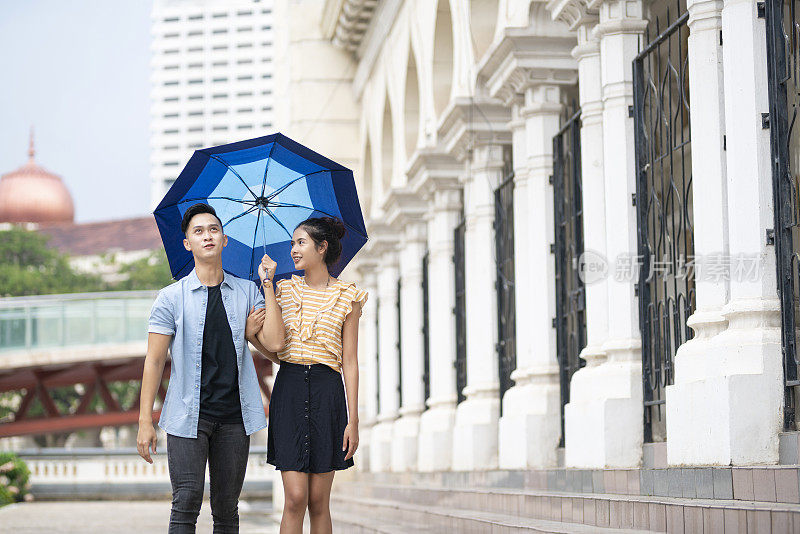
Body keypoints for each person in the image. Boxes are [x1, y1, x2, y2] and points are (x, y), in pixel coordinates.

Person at [136, 202, 285, 533]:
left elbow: (275, 345)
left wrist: (268, 284)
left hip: (235, 417)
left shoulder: (247, 292)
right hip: (188, 415)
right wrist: (145, 421)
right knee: (186, 502)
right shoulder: (170, 298)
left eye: (214, 230)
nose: (208, 236)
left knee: (227, 509)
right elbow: (155, 360)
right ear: (187, 243)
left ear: (225, 239)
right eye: (198, 231)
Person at [264, 216, 367, 534]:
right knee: (295, 498)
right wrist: (267, 286)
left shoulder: (348, 296)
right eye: (293, 243)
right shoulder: (284, 290)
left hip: (328, 393)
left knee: (319, 502)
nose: (293, 250)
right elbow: (274, 345)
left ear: (322, 248)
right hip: (290, 389)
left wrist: (354, 419)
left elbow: (350, 361)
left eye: (301, 242)